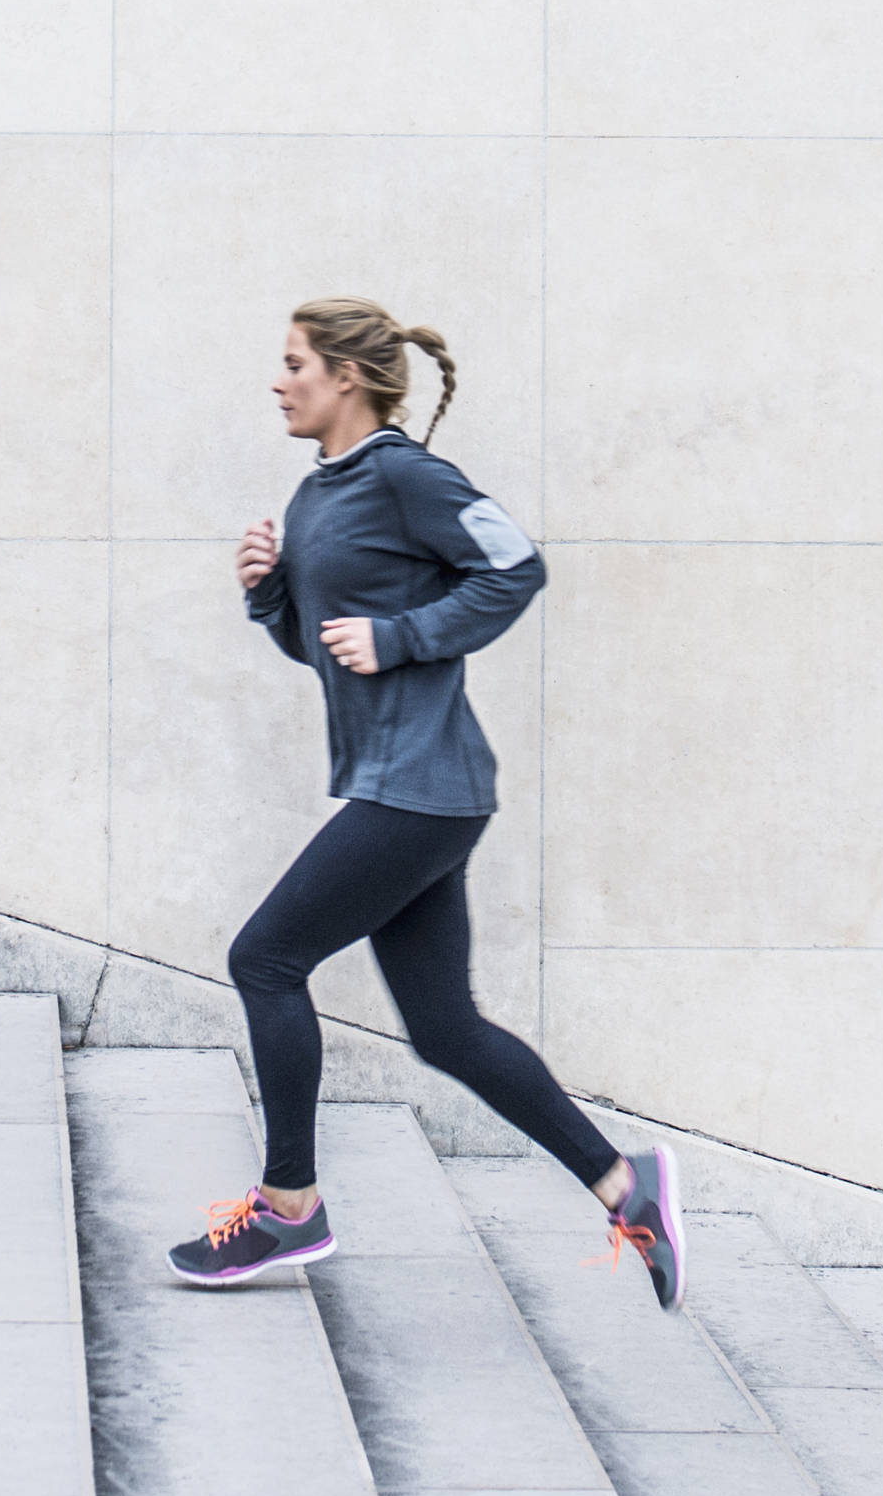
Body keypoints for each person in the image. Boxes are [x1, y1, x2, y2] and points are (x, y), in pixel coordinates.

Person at [166, 299, 684, 1309]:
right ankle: (626, 1187)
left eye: (291, 364)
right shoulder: (318, 496)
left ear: (345, 378)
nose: (276, 382)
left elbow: (516, 565)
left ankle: (288, 1206)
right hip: (404, 787)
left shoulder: (405, 474)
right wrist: (270, 595)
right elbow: (323, 648)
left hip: (421, 786)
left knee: (263, 959)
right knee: (444, 1029)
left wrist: (405, 638)